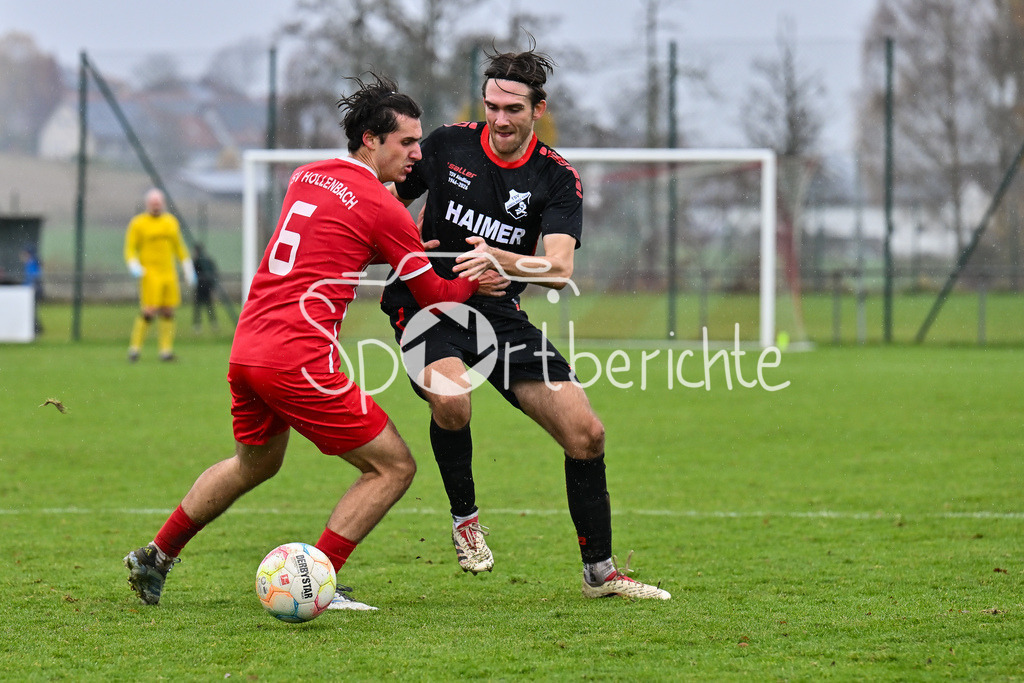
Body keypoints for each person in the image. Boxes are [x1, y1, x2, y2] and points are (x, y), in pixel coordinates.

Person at [123, 74, 505, 611]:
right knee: (393, 467)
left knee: (254, 464)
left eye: (420, 142)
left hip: (249, 348)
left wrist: (397, 249)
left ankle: (156, 556)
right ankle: (319, 577)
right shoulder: (385, 207)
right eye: (406, 142)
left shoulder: (308, 177)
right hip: (297, 358)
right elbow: (438, 294)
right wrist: (476, 277)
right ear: (370, 139)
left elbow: (328, 241)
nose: (418, 154)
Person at [380, 46, 670, 599]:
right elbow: (381, 209)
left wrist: (502, 261)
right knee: (452, 398)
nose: (500, 118)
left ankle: (600, 574)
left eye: (513, 108)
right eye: (492, 105)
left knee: (587, 433)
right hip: (427, 301)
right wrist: (401, 247)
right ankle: (466, 521)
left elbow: (558, 269)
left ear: (538, 109)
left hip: (497, 310)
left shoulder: (556, 178)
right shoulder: (445, 145)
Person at [123, 188, 195, 362]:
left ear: (162, 204)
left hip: (168, 273)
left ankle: (166, 351)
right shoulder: (138, 223)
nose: (156, 206)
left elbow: (179, 247)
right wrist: (134, 265)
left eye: (158, 203)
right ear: (148, 204)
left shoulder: (170, 222)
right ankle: (135, 349)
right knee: (149, 310)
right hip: (150, 273)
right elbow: (130, 248)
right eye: (153, 203)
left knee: (168, 311)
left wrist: (187, 266)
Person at [191, 243, 219, 332]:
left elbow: (193, 273)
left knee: (198, 306)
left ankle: (197, 325)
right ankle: (214, 324)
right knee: (209, 305)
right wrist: (213, 285)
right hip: (208, 285)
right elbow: (214, 272)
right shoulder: (208, 260)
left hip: (200, 286)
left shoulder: (197, 261)